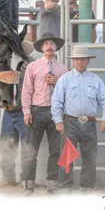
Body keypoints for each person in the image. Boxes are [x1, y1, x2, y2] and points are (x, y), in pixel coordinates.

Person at [51, 45, 105, 193]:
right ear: (73, 61)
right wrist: (58, 121)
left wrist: (104, 119)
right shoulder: (65, 80)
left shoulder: (95, 80)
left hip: (90, 122)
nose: (80, 62)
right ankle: (65, 187)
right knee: (67, 156)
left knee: (90, 157)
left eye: (82, 59)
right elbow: (56, 101)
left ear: (88, 61)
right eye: (77, 59)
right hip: (70, 122)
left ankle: (87, 187)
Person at [21, 33, 68, 195]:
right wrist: (27, 111)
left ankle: (52, 184)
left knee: (55, 150)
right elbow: (26, 90)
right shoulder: (32, 67)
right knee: (31, 149)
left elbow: (67, 93)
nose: (49, 47)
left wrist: (57, 82)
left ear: (56, 48)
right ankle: (28, 184)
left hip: (55, 111)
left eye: (52, 44)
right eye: (46, 44)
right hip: (37, 110)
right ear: (41, 48)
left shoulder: (63, 70)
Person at [0, 39, 34, 186]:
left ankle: (25, 179)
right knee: (7, 146)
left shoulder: (30, 67)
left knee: (27, 146)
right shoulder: (6, 65)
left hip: (24, 111)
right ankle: (9, 177)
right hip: (9, 111)